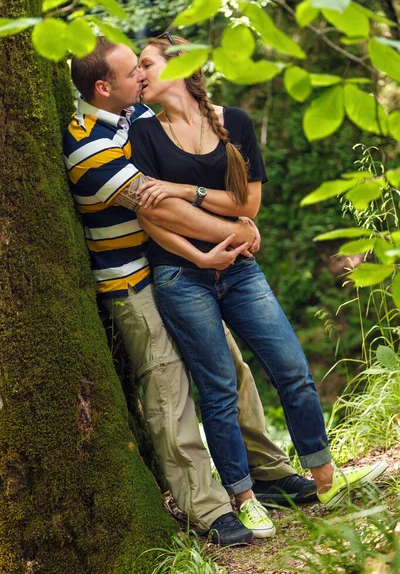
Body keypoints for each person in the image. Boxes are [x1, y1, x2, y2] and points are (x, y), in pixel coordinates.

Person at [124, 34, 388, 534]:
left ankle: (326, 479)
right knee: (219, 390)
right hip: (181, 274)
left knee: (292, 369)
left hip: (241, 270)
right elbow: (151, 215)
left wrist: (186, 189)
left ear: (180, 67)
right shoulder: (144, 134)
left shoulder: (235, 123)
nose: (138, 75)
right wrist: (202, 250)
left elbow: (248, 208)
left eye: (145, 65)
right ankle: (246, 498)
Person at [63, 36, 321, 547]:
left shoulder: (133, 118)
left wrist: (232, 220)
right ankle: (206, 507)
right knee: (168, 391)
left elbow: (183, 176)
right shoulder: (87, 144)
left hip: (176, 266)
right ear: (102, 86)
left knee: (229, 369)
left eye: (143, 67)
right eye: (130, 71)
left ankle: (266, 471)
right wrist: (239, 231)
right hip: (132, 280)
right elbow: (159, 207)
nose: (141, 76)